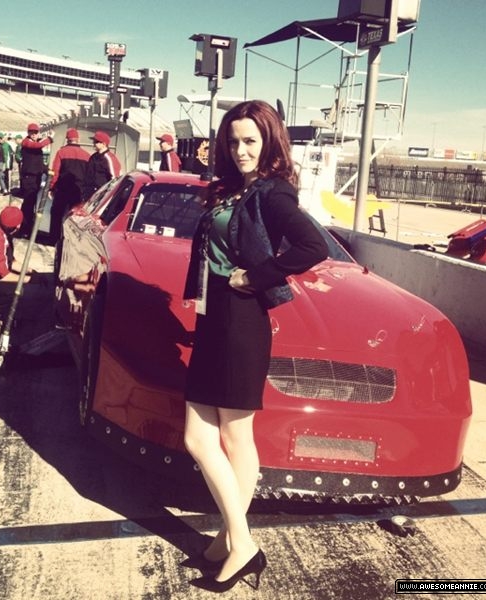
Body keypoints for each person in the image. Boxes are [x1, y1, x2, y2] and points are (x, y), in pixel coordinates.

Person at [182, 100, 329, 593]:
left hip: (241, 322)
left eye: (250, 141)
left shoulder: (272, 193)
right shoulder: (231, 190)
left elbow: (314, 247)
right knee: (207, 438)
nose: (240, 149)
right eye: (233, 140)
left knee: (223, 437)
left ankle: (238, 543)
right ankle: (232, 538)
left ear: (268, 142)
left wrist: (256, 276)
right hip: (215, 319)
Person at [49, 128, 90, 244]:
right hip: (78, 190)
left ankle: (55, 239)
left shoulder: (61, 152)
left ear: (67, 139)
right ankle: (72, 241)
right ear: (78, 139)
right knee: (74, 216)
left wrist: (52, 187)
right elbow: (88, 175)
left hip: (62, 189)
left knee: (57, 214)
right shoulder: (87, 155)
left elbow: (55, 172)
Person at [20, 122, 54, 235]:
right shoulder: (27, 142)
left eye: (35, 132)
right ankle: (25, 228)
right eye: (32, 132)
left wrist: (47, 170)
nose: (34, 134)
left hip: (35, 177)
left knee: (31, 203)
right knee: (28, 204)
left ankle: (27, 226)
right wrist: (49, 139)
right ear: (28, 133)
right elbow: (37, 146)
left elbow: (38, 162)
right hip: (29, 178)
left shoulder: (35, 144)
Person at [83, 130, 122, 198]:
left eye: (96, 142)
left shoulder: (109, 158)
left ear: (104, 144)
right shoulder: (93, 157)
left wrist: (106, 195)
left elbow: (115, 179)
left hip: (101, 196)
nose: (94, 144)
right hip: (89, 194)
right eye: (94, 141)